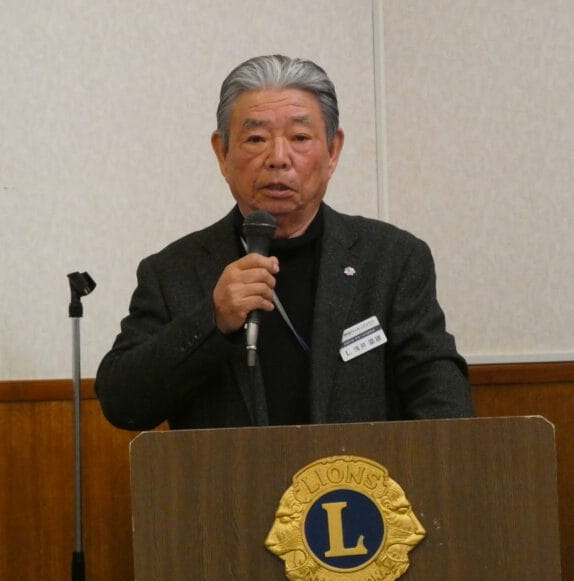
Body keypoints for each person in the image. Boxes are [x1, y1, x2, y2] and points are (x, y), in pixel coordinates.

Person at [96, 54, 474, 431]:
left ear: (333, 151)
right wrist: (213, 319)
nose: (278, 158)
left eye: (300, 138)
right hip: (232, 473)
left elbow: (444, 402)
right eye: (256, 139)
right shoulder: (172, 271)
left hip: (355, 473)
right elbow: (122, 403)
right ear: (222, 153)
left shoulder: (393, 260)